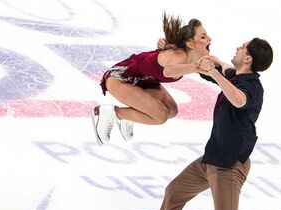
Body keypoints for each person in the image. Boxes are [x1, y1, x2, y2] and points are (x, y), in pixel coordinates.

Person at [135, 37, 273, 210]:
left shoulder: (251, 87)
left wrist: (214, 74)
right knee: (174, 193)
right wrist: (175, 49)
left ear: (249, 59)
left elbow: (237, 99)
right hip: (209, 161)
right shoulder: (233, 75)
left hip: (228, 169)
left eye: (242, 47)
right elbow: (214, 64)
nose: (237, 48)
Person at [91, 12, 212, 145]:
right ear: (190, 44)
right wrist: (196, 68)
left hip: (144, 80)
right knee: (160, 116)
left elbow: (218, 65)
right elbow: (168, 71)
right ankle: (109, 113)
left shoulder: (190, 54)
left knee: (171, 110)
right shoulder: (179, 57)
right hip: (121, 79)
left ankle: (127, 117)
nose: (209, 39)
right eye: (203, 36)